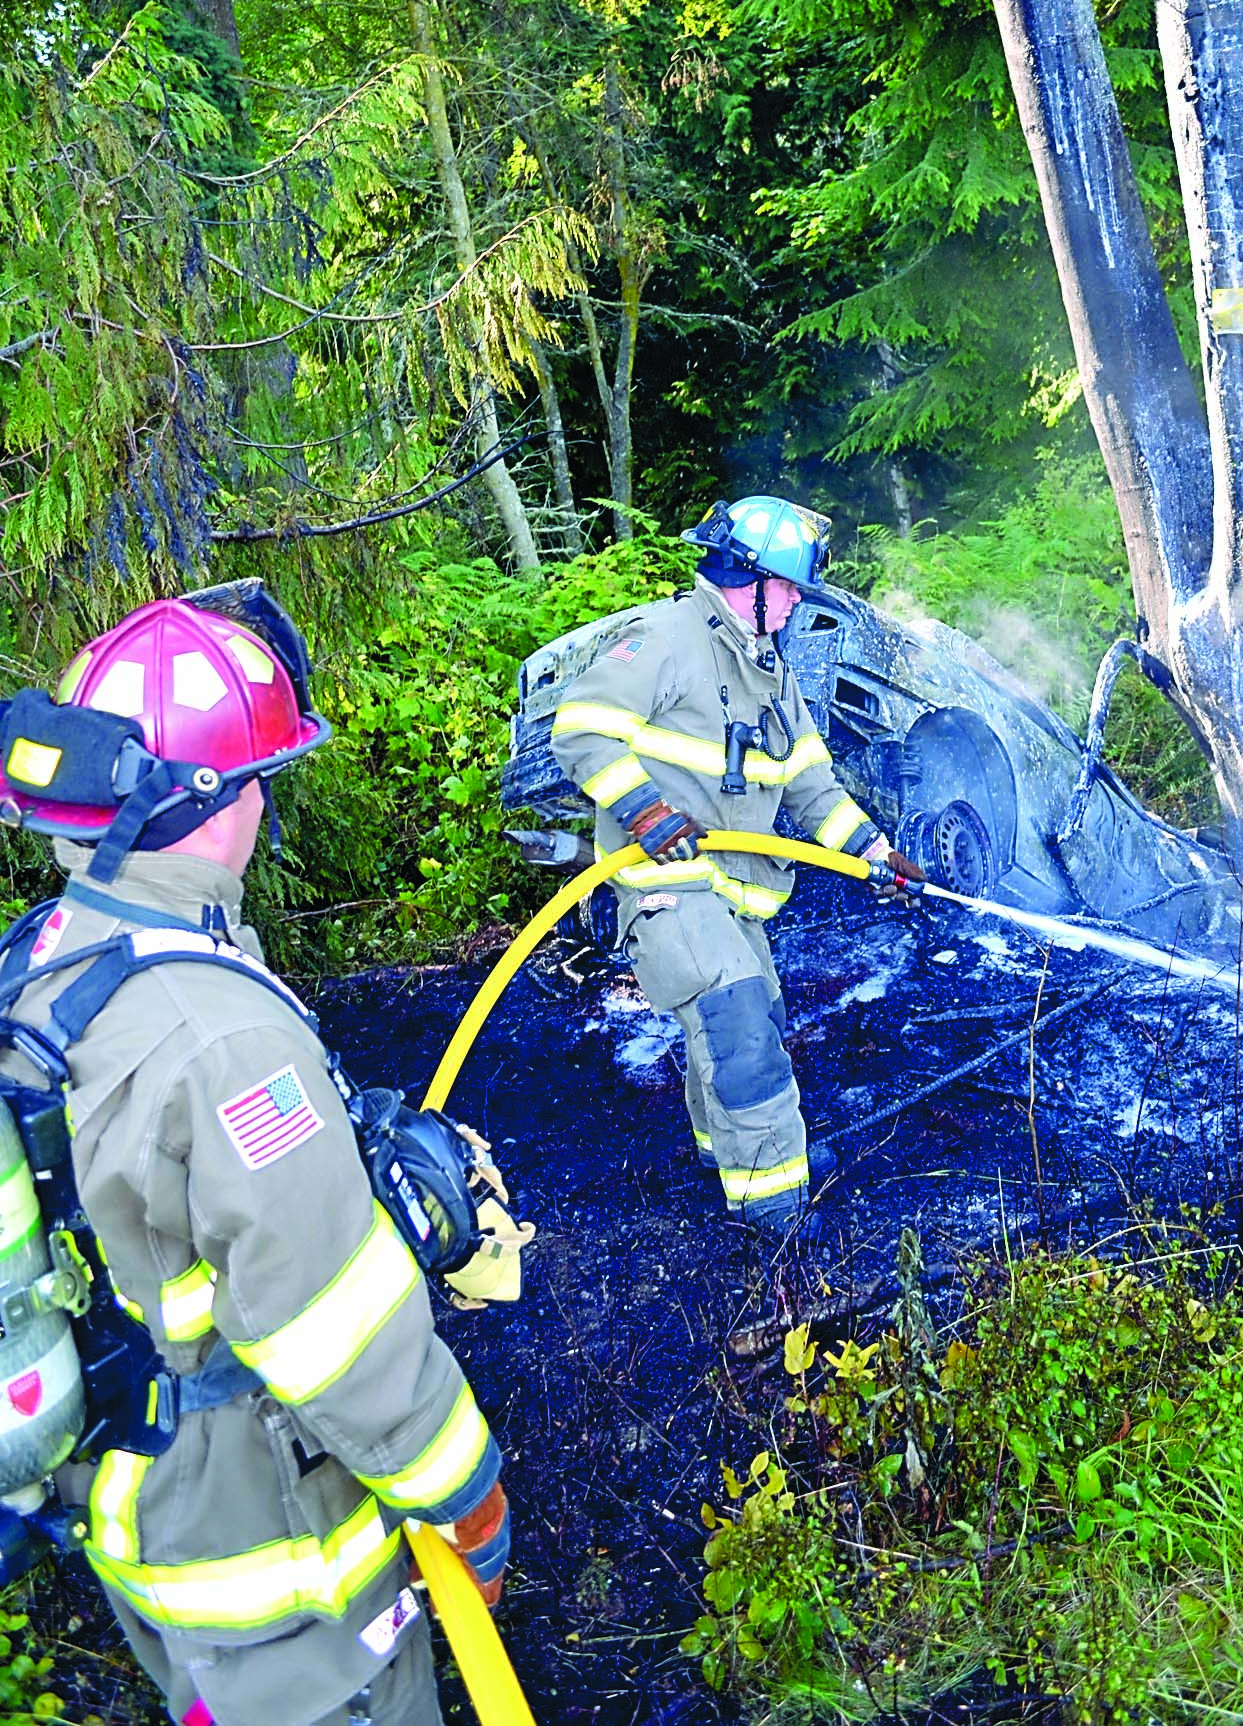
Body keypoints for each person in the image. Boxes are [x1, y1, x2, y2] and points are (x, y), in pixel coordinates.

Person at [0, 584, 509, 1726]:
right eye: (260, 774)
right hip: (268, 1558)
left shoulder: (58, 954)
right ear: (212, 798)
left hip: (134, 1512)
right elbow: (331, 1332)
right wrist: (466, 1494)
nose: (269, 795)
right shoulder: (220, 1036)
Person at [551, 494, 924, 1240]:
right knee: (740, 1027)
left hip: (732, 895)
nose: (795, 603)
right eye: (786, 588)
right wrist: (647, 812)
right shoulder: (666, 638)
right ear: (744, 580)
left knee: (741, 1029)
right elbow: (580, 729)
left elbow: (813, 785)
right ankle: (776, 1222)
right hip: (665, 887)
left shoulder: (771, 674)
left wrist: (876, 854)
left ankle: (726, 1161)